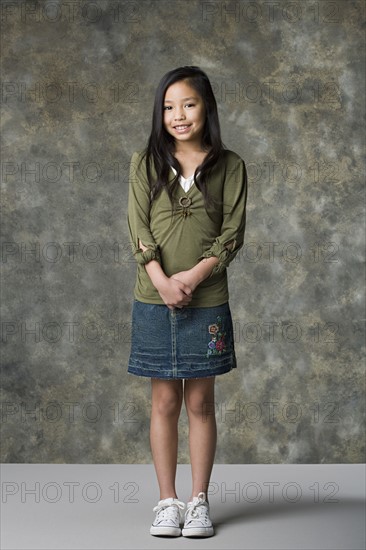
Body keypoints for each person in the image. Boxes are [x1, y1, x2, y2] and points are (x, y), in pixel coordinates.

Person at [127, 66, 248, 538]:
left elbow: (232, 233)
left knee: (200, 402)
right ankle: (166, 501)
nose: (178, 115)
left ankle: (198, 501)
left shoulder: (230, 165)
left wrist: (194, 277)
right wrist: (160, 280)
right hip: (153, 299)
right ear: (161, 113)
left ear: (206, 108)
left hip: (207, 299)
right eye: (169, 106)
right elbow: (138, 231)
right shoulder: (145, 162)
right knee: (163, 401)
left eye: (189, 104)